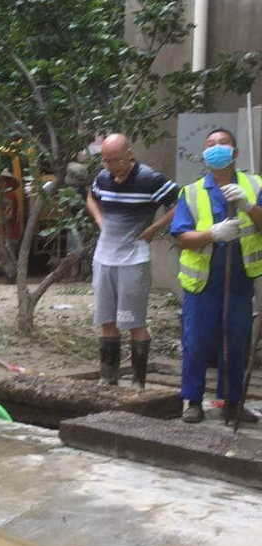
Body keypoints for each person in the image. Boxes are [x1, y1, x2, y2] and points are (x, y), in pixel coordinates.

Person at [171, 128, 262, 424]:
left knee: (236, 342)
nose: (217, 148)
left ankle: (232, 403)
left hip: (239, 281)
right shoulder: (192, 192)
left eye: (223, 143)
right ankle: (193, 401)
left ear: (235, 153)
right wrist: (212, 234)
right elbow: (182, 237)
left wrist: (249, 207)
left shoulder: (255, 185)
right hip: (202, 282)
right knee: (197, 342)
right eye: (211, 144)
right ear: (204, 154)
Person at [86, 133, 178, 390]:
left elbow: (180, 204)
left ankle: (138, 383)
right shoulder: (103, 177)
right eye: (106, 160)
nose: (111, 166)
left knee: (133, 320)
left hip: (133, 260)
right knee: (107, 320)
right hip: (104, 258)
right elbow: (91, 196)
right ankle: (108, 378)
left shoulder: (150, 179)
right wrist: (99, 219)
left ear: (130, 154)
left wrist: (154, 228)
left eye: (116, 160)